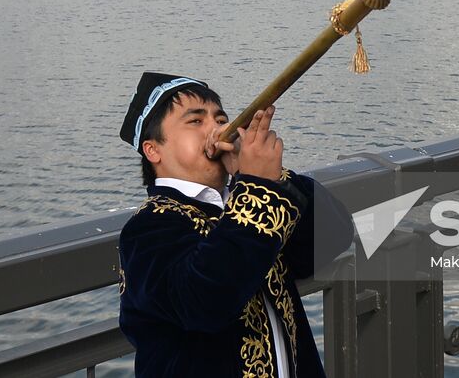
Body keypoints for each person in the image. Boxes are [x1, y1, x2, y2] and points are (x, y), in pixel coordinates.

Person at [116, 72, 353, 378]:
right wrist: (256, 187)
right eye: (196, 121)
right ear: (153, 150)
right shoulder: (147, 229)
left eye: (220, 118)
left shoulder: (248, 198)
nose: (217, 130)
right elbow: (205, 302)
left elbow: (334, 237)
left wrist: (274, 177)